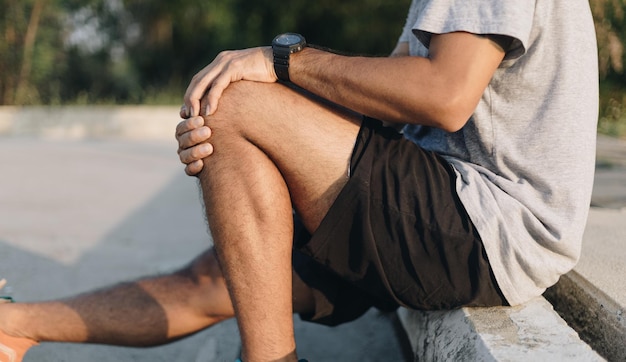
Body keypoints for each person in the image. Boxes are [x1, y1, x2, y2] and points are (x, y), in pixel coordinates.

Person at [0, 0, 598, 361]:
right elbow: (391, 93)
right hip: (445, 204)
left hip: (488, 225)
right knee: (224, 275)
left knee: (233, 100)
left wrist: (278, 65)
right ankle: (14, 329)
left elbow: (444, 96)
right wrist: (266, 118)